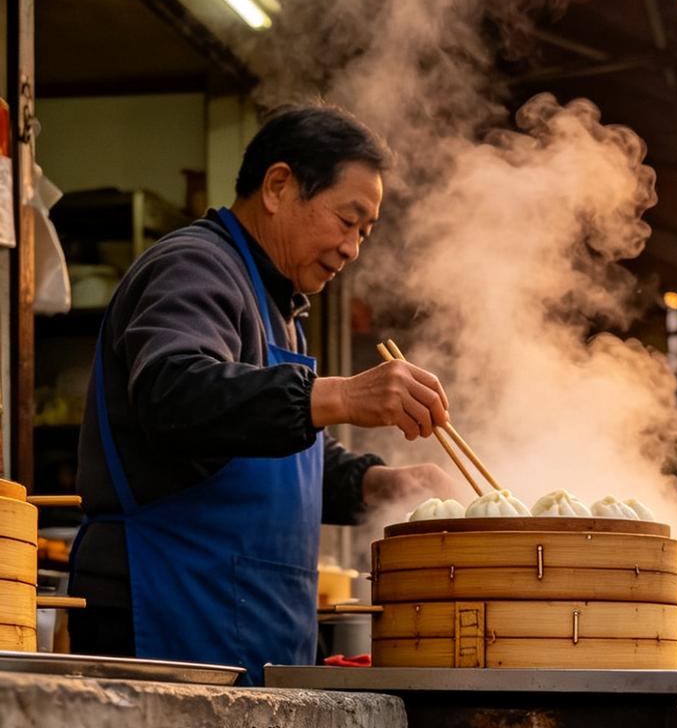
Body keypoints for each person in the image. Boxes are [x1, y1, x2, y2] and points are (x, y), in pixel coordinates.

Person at [69, 103, 455, 682]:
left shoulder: (281, 310)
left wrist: (381, 485)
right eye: (347, 220)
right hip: (166, 616)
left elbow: (279, 460)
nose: (353, 248)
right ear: (278, 186)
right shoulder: (193, 265)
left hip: (254, 628)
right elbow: (174, 394)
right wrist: (340, 397)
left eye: (365, 233)